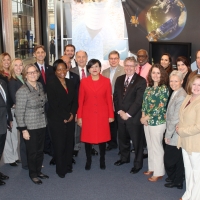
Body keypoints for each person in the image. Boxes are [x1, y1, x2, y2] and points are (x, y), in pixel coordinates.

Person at [77, 59, 114, 170]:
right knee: (88, 139)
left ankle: (102, 159)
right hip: (88, 115)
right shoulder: (84, 82)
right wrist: (79, 117)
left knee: (102, 139)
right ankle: (88, 160)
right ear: (88, 69)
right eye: (92, 67)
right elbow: (80, 100)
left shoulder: (106, 81)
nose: (94, 69)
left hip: (102, 114)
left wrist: (111, 115)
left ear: (100, 68)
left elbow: (109, 99)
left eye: (96, 66)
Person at [15, 64, 49, 185]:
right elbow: (19, 113)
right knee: (32, 151)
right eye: (30, 73)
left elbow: (43, 100)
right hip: (30, 127)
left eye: (34, 72)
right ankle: (33, 174)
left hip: (42, 123)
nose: (33, 74)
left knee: (40, 150)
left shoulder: (39, 86)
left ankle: (38, 170)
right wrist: (23, 130)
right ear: (25, 75)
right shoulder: (22, 91)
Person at [113, 56, 146, 174]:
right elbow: (116, 97)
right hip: (121, 116)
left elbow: (139, 101)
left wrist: (128, 114)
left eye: (131, 66)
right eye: (126, 65)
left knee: (137, 143)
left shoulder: (141, 81)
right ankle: (124, 158)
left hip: (134, 118)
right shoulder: (119, 79)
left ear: (136, 67)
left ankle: (138, 164)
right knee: (122, 139)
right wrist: (119, 111)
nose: (128, 68)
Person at [47, 59, 78, 178]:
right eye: (59, 69)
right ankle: (61, 170)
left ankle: (68, 166)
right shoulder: (51, 84)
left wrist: (72, 114)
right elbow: (54, 104)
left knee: (69, 143)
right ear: (55, 71)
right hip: (56, 119)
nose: (62, 71)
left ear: (67, 69)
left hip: (70, 118)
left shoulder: (70, 82)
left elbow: (75, 100)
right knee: (59, 145)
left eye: (63, 69)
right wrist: (65, 116)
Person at [141, 63, 169, 182]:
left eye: (158, 73)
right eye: (153, 72)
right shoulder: (149, 88)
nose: (156, 75)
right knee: (150, 146)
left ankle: (159, 172)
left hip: (158, 122)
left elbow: (160, 108)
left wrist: (146, 117)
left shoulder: (164, 89)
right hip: (147, 121)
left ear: (162, 75)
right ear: (150, 74)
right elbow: (144, 104)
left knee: (157, 147)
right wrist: (143, 116)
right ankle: (152, 167)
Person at [177, 74, 200, 200]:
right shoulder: (189, 97)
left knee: (197, 173)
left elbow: (198, 126)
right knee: (188, 171)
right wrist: (178, 125)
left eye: (199, 85)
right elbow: (183, 116)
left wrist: (181, 130)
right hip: (185, 141)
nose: (196, 87)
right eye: (194, 84)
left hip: (196, 143)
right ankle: (188, 194)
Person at [70, 50, 98, 156]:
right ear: (75, 59)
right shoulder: (71, 71)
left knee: (91, 127)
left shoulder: (92, 70)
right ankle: (76, 147)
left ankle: (90, 147)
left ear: (86, 58)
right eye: (79, 57)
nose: (81, 59)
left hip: (91, 105)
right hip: (77, 104)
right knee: (77, 127)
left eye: (83, 57)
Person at [164, 70, 186, 189]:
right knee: (177, 159)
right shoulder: (175, 92)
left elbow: (175, 119)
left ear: (182, 81)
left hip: (175, 134)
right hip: (174, 131)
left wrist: (168, 135)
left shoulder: (181, 95)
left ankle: (175, 179)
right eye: (171, 81)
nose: (173, 83)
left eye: (176, 81)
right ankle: (177, 180)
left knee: (169, 159)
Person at [34, 45, 55, 157]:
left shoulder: (51, 68)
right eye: (38, 52)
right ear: (34, 55)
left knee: (50, 125)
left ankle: (49, 147)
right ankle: (42, 148)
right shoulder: (31, 69)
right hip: (38, 103)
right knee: (41, 127)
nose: (41, 54)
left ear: (45, 54)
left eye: (42, 52)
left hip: (50, 103)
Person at [102, 50, 125, 151]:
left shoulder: (124, 70)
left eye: (115, 58)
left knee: (121, 125)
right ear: (109, 60)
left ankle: (122, 146)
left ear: (119, 59)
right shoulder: (104, 72)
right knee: (111, 125)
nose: (113, 60)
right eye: (111, 58)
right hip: (107, 103)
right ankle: (112, 144)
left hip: (119, 103)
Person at [3, 59, 24, 168]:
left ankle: (15, 157)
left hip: (20, 110)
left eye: (20, 65)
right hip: (13, 111)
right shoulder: (12, 80)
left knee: (16, 137)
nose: (18, 67)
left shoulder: (22, 78)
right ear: (12, 67)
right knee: (10, 136)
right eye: (16, 65)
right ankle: (10, 159)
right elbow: (14, 98)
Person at [0, 78, 12, 186]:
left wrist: (10, 119)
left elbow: (7, 103)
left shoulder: (2, 82)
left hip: (3, 121)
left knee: (0, 149)